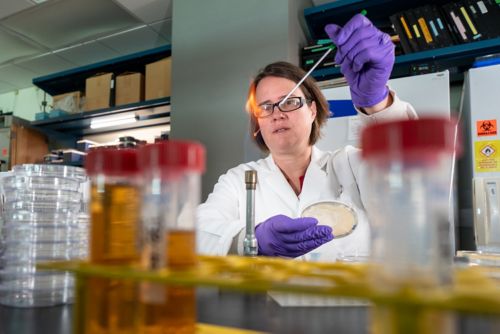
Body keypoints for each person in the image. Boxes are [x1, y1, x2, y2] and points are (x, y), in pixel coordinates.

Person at [196, 14, 417, 261]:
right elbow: (197, 233)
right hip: (266, 300)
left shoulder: (351, 164)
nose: (277, 114)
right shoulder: (237, 181)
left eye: (289, 101)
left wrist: (376, 101)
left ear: (312, 110)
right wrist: (253, 237)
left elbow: (412, 175)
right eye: (265, 107)